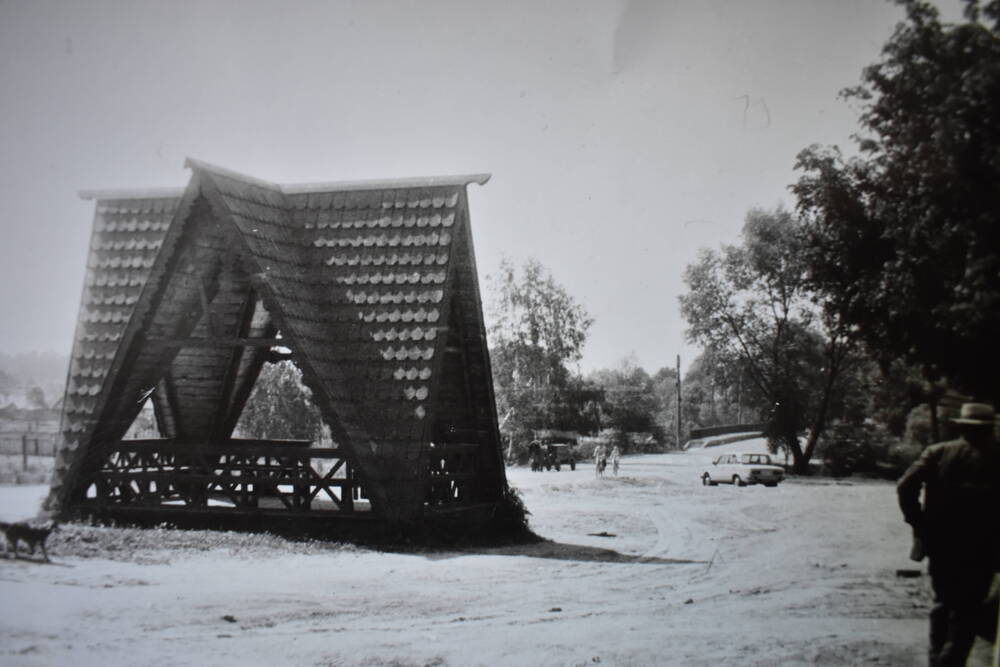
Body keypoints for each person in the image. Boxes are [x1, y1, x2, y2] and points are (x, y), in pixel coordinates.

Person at [897, 402, 1000, 666]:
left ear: (962, 427)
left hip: (941, 543)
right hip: (984, 547)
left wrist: (918, 522)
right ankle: (951, 661)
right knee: (969, 609)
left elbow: (905, 486)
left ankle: (937, 659)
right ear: (989, 429)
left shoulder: (939, 452)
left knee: (942, 602)